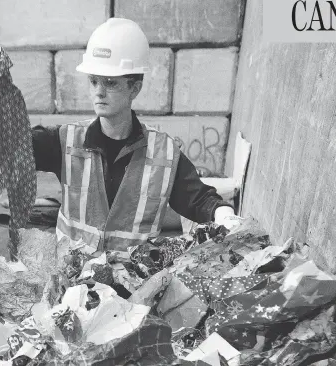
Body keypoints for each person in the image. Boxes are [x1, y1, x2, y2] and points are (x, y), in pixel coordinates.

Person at [32, 18, 237, 255]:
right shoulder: (65, 141)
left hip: (131, 285)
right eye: (93, 81)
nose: (99, 91)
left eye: (110, 83)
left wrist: (224, 215)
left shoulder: (164, 154)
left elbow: (199, 199)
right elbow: (15, 146)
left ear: (134, 88)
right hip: (71, 281)